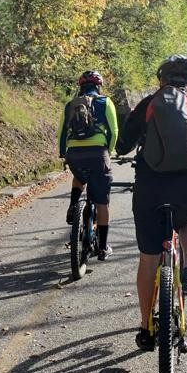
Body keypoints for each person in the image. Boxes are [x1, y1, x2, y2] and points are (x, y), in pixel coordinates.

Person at [115, 54, 187, 350]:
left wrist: (126, 147)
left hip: (150, 188)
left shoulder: (149, 103)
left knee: (148, 258)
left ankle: (146, 326)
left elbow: (124, 144)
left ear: (161, 79)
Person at [58, 69, 119, 261]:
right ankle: (102, 247)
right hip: (98, 153)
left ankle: (73, 206)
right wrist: (108, 151)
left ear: (81, 87)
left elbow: (61, 132)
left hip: (74, 154)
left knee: (79, 176)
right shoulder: (104, 102)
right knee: (102, 202)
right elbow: (114, 131)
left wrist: (63, 153)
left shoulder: (70, 105)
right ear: (98, 86)